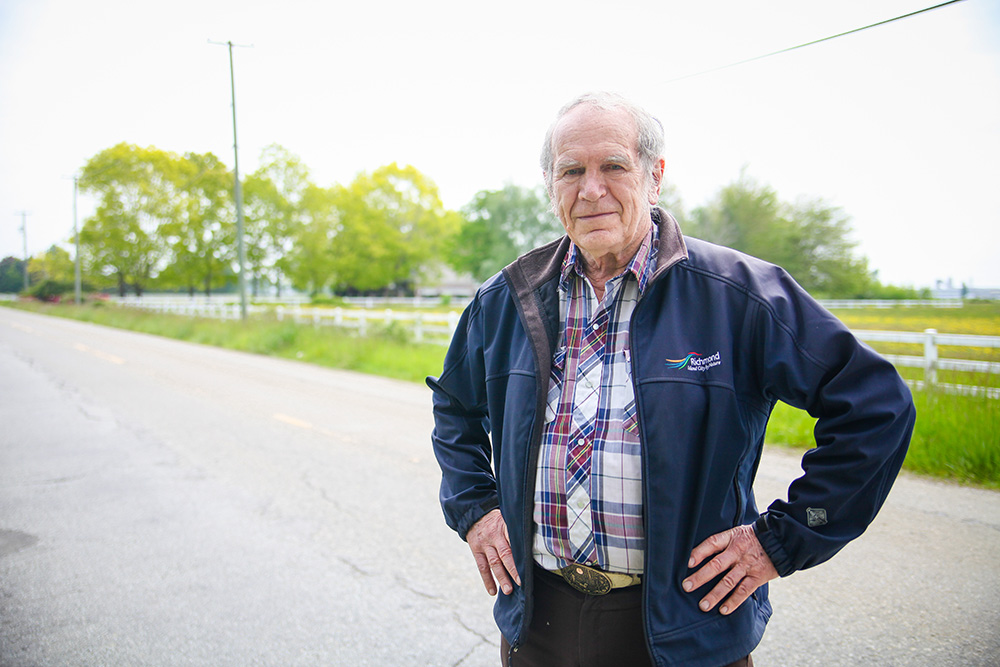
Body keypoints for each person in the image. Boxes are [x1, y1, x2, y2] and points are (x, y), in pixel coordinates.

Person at [428, 92, 915, 667]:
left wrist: (780, 540)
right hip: (539, 625)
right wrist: (475, 510)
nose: (591, 189)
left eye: (613, 166)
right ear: (549, 183)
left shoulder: (737, 295)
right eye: (571, 171)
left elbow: (876, 407)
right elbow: (455, 409)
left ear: (654, 176)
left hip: (686, 633)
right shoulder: (507, 300)